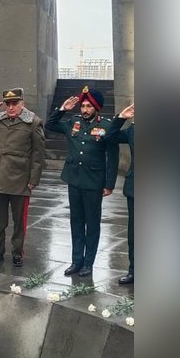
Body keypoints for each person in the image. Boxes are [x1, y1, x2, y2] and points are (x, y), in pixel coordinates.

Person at [46, 86, 119, 277]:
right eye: (83, 106)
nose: (84, 110)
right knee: (76, 222)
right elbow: (50, 125)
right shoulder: (73, 121)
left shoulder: (106, 126)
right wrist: (62, 109)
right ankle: (76, 261)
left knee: (92, 224)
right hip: (74, 179)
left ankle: (88, 263)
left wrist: (109, 184)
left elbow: (113, 157)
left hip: (94, 181)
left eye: (88, 106)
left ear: (96, 108)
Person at [0, 87, 46, 267]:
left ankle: (17, 252)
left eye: (15, 103)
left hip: (20, 179)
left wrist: (33, 180)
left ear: (22, 103)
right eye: (8, 104)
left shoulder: (33, 123)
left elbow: (38, 155)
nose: (11, 107)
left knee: (19, 221)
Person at [106, 103, 135, 284]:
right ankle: (134, 270)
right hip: (135, 188)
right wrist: (121, 118)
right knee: (135, 233)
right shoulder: (133, 130)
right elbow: (110, 137)